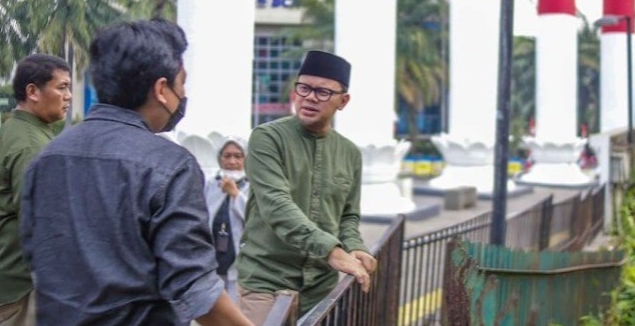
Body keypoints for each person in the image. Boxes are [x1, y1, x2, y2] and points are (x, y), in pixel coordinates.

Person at [20, 19, 251, 326]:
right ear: (161, 90)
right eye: (181, 84)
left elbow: (35, 252)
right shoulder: (170, 165)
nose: (183, 95)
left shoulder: (47, 158)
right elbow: (195, 289)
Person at [236, 50, 377, 322]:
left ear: (343, 101)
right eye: (303, 88)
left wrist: (355, 247)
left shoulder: (349, 153)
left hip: (320, 287)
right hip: (267, 281)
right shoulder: (267, 138)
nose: (310, 97)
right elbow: (276, 205)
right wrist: (331, 250)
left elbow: (347, 216)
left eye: (323, 92)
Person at [0, 53, 71, 326]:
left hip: (10, 274)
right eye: (61, 87)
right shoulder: (29, 145)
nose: (68, 96)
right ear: (33, 91)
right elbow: (40, 221)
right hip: (24, 282)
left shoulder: (16, 130)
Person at [204, 137, 249, 303]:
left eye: (238, 156)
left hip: (239, 261)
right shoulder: (210, 184)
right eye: (227, 156)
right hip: (212, 259)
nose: (232, 161)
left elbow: (255, 218)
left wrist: (236, 194)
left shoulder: (253, 185)